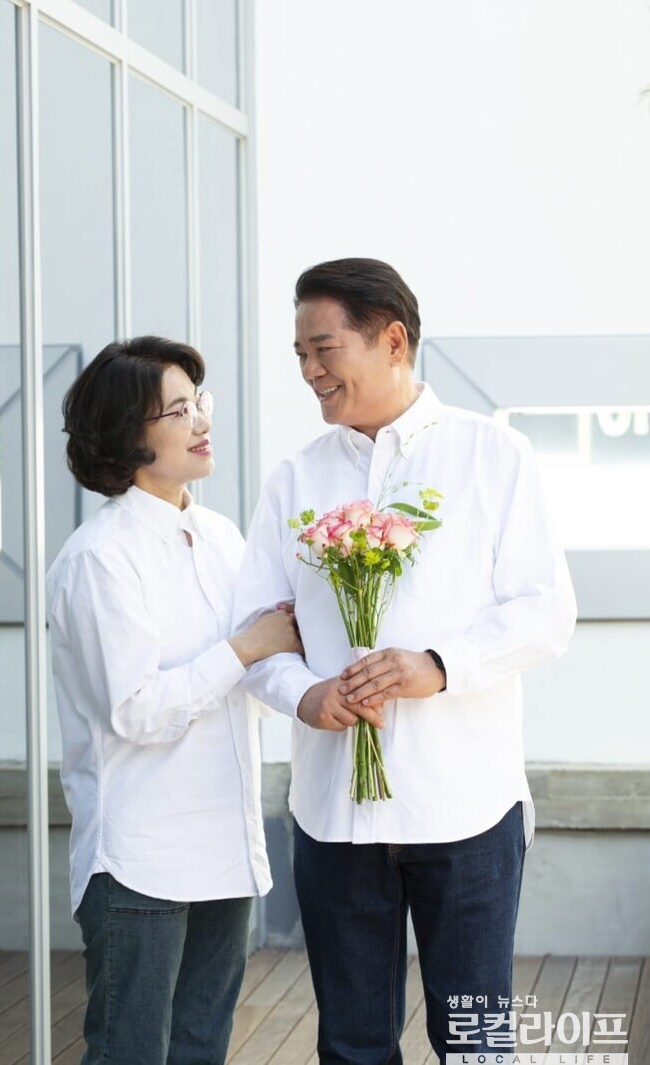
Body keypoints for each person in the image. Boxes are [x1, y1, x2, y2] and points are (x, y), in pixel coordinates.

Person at [233, 259, 577, 1064]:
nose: (309, 371)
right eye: (299, 355)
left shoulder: (491, 455)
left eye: (323, 349)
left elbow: (544, 610)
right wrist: (304, 693)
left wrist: (438, 664)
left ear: (392, 340)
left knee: (473, 1041)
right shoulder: (294, 478)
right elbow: (254, 628)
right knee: (351, 1042)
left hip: (464, 803)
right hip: (332, 811)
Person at [46, 335, 302, 1065]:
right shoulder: (100, 557)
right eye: (179, 409)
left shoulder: (219, 536)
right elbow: (136, 710)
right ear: (129, 432)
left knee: (201, 1048)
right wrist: (245, 647)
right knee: (130, 1052)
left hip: (224, 845)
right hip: (140, 857)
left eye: (200, 403)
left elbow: (255, 672)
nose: (202, 421)